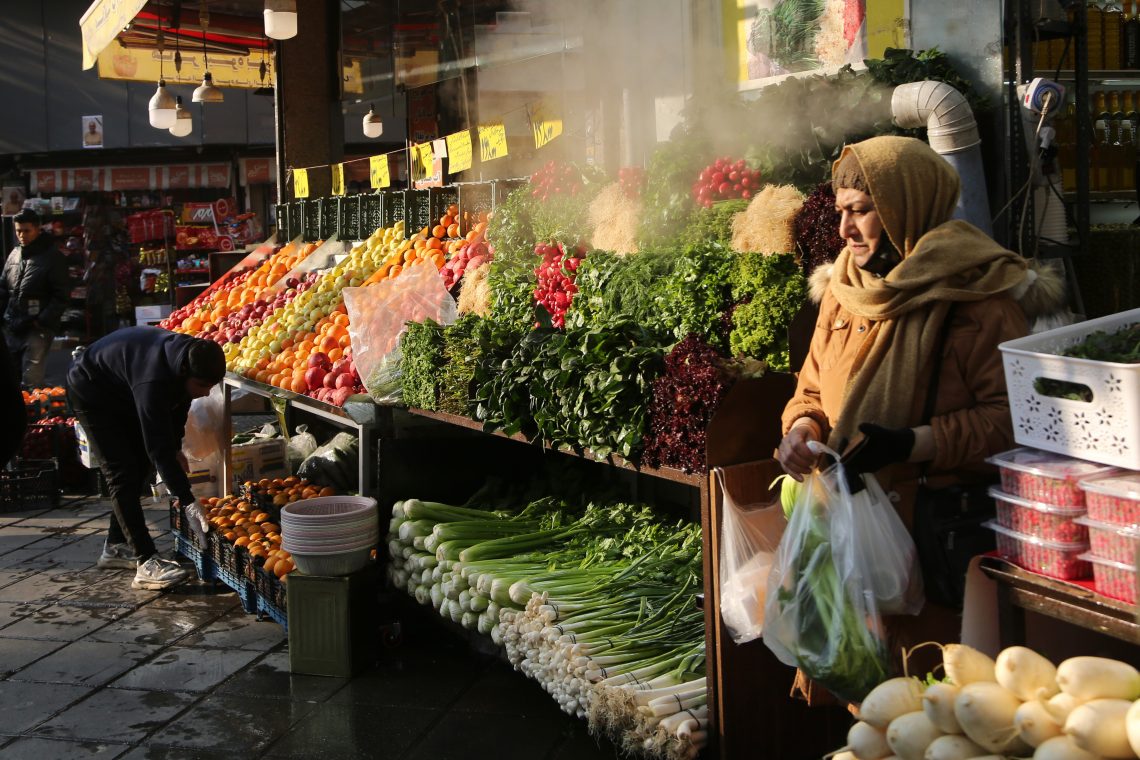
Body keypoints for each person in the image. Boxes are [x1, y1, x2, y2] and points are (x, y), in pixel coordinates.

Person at [775, 135, 1063, 700]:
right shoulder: (843, 291)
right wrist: (800, 430)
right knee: (864, 705)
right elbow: (809, 387)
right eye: (841, 212)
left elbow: (1012, 421)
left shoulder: (977, 295)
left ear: (907, 205)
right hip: (847, 544)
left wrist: (913, 443)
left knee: (924, 707)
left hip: (926, 551)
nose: (844, 231)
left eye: (861, 212)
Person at [68, 327, 222, 590]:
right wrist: (187, 499)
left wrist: (176, 447)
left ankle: (116, 546)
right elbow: (156, 447)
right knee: (122, 473)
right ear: (185, 372)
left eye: (211, 386)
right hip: (92, 392)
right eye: (202, 386)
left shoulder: (189, 358)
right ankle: (146, 561)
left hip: (122, 392)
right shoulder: (153, 381)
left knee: (139, 466)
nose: (207, 393)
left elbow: (177, 410)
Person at [0, 209, 70, 388]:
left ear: (37, 229)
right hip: (13, 326)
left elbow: (61, 295)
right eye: (18, 231)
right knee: (11, 379)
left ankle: (34, 415)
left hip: (37, 328)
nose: (21, 235)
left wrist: (42, 320)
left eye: (26, 230)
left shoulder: (53, 257)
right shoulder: (14, 254)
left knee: (31, 381)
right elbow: (3, 288)